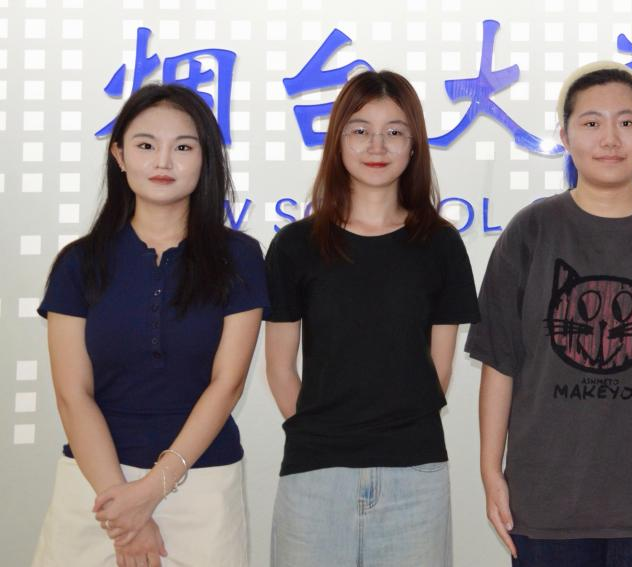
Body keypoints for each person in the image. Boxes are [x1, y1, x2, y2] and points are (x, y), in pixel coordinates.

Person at [466, 61, 632, 567]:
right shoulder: (531, 231)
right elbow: (500, 362)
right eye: (591, 123)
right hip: (546, 496)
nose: (610, 138)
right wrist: (489, 470)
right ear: (564, 136)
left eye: (626, 122)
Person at [33, 83, 267, 567]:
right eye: (145, 145)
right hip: (95, 491)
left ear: (205, 159)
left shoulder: (240, 257)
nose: (163, 161)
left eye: (183, 147)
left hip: (202, 485)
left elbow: (227, 384)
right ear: (119, 155)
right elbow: (72, 395)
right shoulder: (78, 263)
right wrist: (126, 506)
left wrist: (152, 490)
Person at [264, 70, 480, 567]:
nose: (376, 145)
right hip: (315, 476)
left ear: (414, 144)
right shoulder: (296, 246)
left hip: (415, 475)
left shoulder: (440, 244)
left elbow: (439, 369)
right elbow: (279, 367)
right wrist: (319, 435)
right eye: (360, 130)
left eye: (394, 131)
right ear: (337, 140)